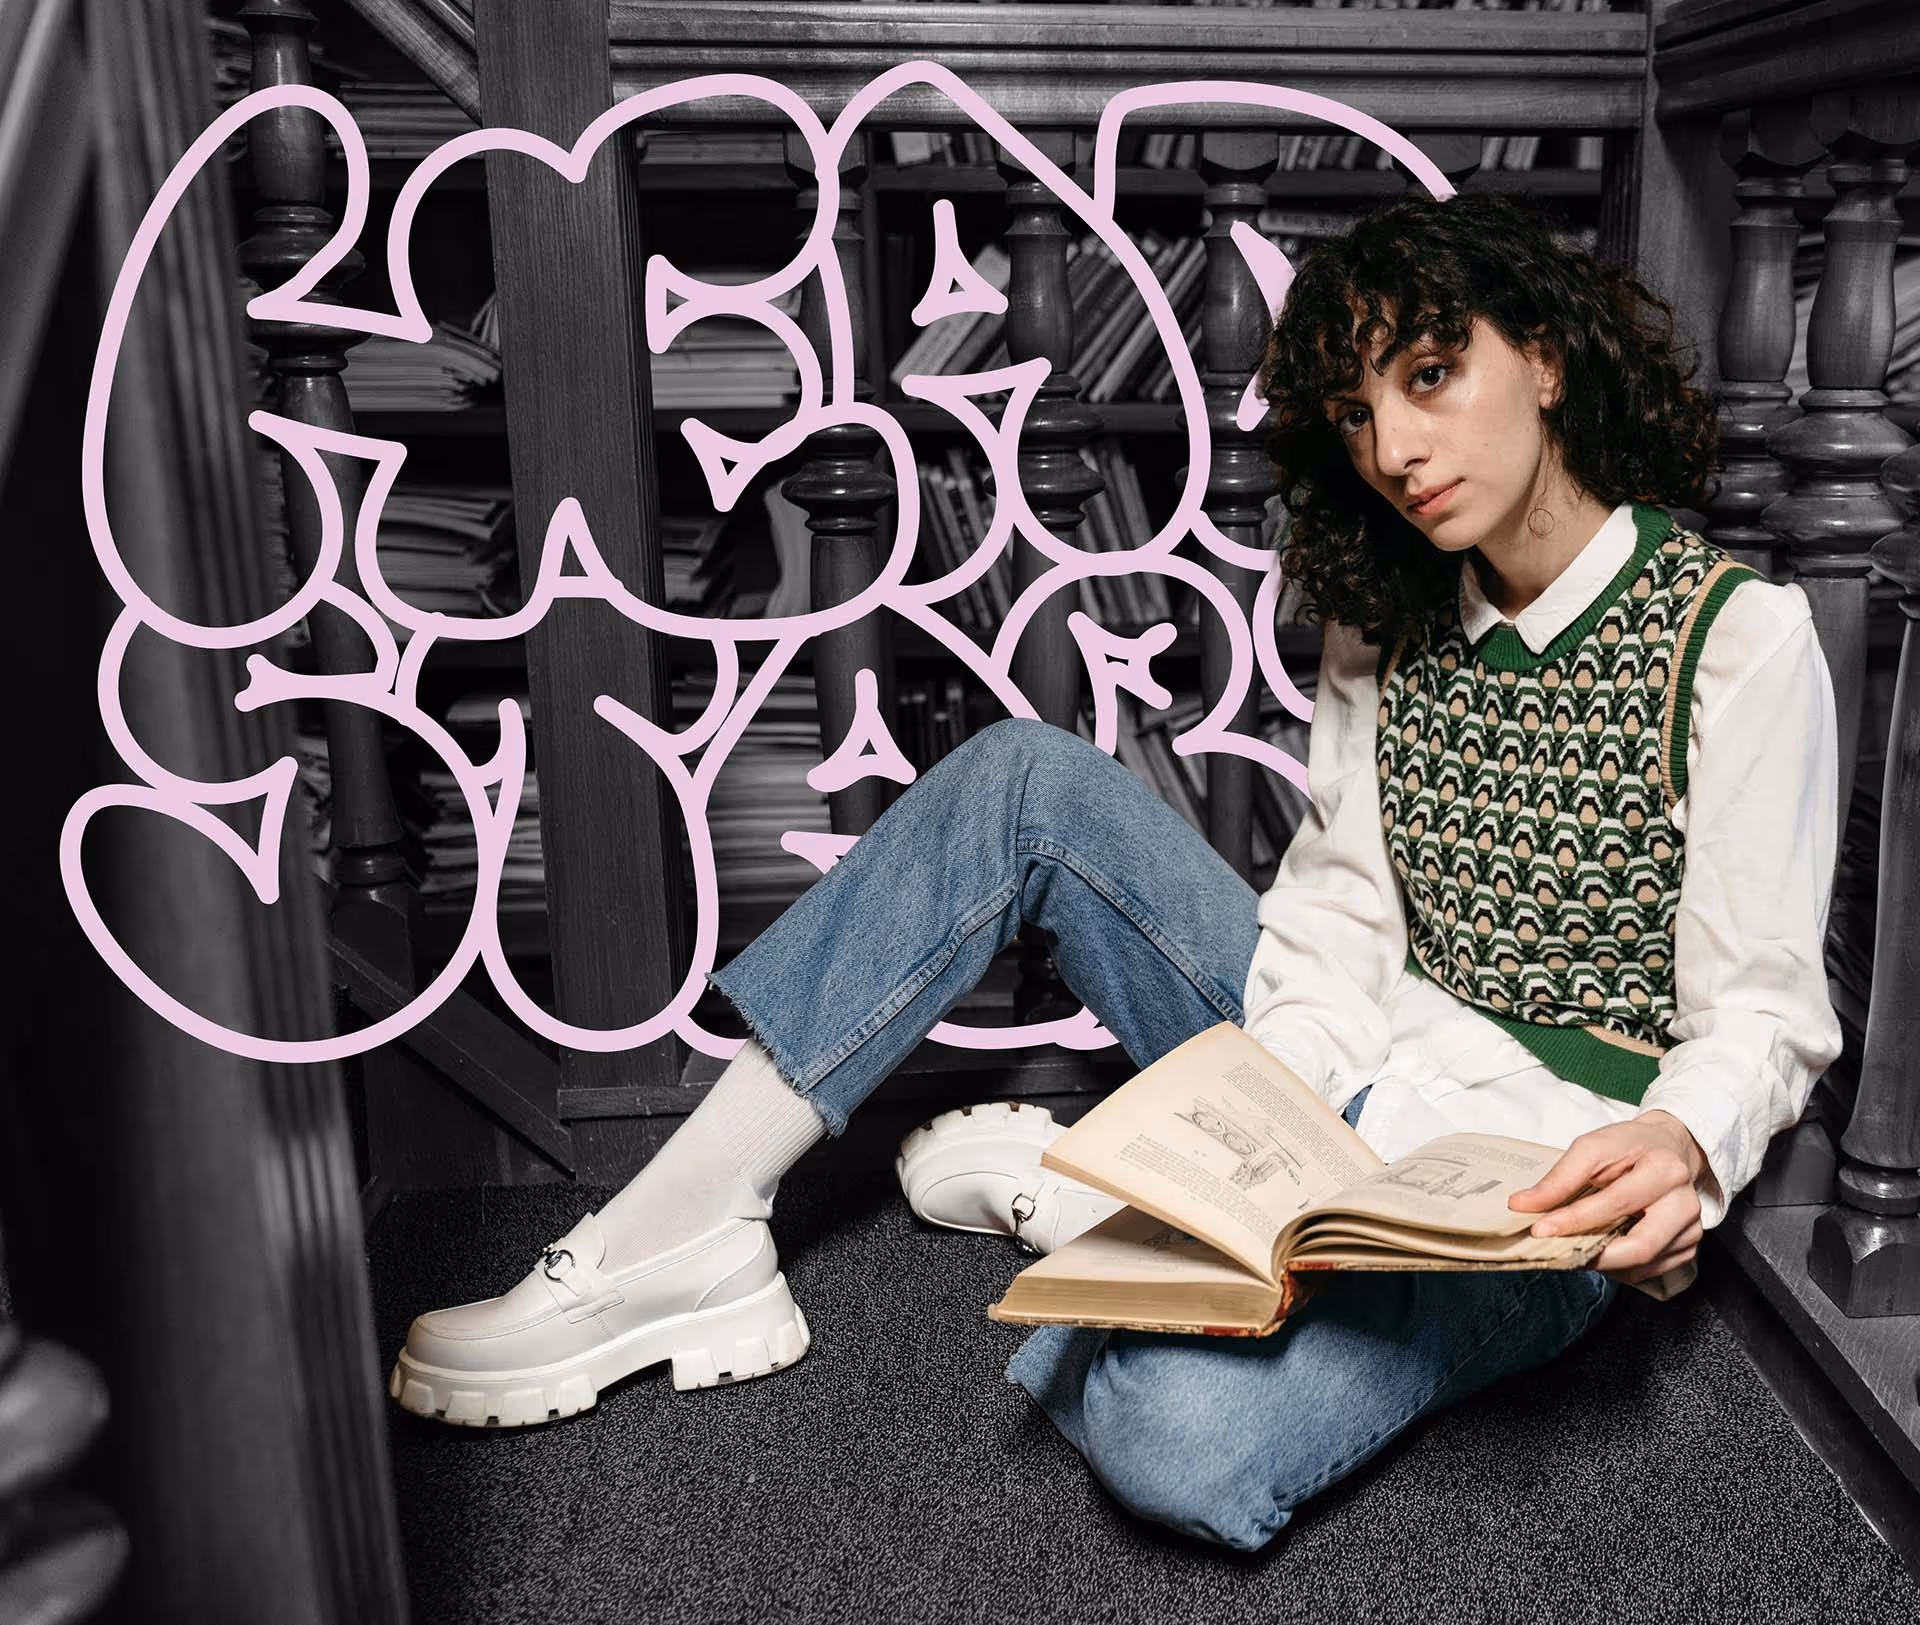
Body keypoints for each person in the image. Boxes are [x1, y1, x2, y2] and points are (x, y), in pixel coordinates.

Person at [387, 191, 1842, 1552]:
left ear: (1543, 361)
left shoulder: (1737, 636)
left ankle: (1081, 1199)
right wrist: (1261, 1130)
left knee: (1178, 1447)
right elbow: (1336, 912)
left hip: (1535, 1181)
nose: (1395, 448)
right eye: (1357, 410)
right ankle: (678, 1231)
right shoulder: (1386, 610)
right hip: (1341, 1057)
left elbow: (1763, 1012)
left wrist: (1687, 1152)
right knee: (1026, 779)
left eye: (1430, 377)